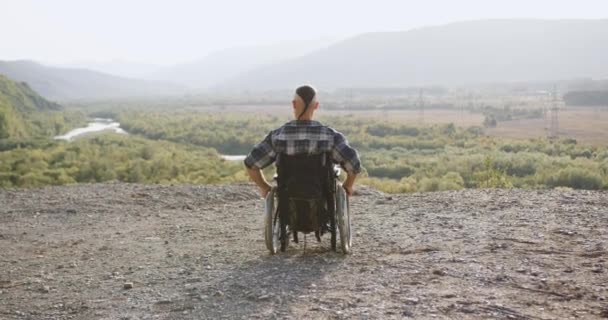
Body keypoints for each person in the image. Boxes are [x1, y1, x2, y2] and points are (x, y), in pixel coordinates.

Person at [244, 85, 361, 198]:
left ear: (294, 104)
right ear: (316, 106)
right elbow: (353, 163)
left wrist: (265, 187)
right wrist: (348, 185)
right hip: (322, 194)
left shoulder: (278, 136)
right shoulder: (331, 136)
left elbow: (251, 164)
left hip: (287, 194)